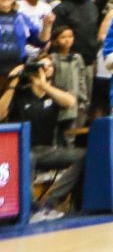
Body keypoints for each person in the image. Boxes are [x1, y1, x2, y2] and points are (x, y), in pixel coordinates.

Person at [2, 55, 84, 220]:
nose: (47, 69)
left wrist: (45, 86)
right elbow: (1, 113)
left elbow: (70, 102)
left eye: (49, 66)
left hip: (47, 149)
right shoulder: (19, 93)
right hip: (22, 150)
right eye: (42, 66)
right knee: (28, 158)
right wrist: (13, 82)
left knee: (84, 155)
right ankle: (32, 208)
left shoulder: (53, 91)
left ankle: (50, 202)